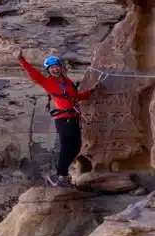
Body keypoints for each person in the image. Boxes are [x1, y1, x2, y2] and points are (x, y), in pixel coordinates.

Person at [16, 49, 96, 187]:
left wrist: (91, 92)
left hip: (74, 117)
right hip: (63, 118)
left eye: (56, 66)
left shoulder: (68, 82)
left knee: (76, 147)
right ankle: (61, 176)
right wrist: (21, 60)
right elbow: (34, 74)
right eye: (51, 68)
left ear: (60, 67)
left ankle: (61, 174)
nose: (54, 69)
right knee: (66, 147)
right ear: (48, 70)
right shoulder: (48, 82)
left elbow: (75, 97)